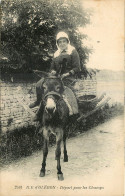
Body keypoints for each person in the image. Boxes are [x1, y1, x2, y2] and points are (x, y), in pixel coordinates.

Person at [29, 31, 81, 120]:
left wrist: (68, 73)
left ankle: (74, 112)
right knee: (40, 84)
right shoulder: (56, 53)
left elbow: (77, 68)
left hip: (69, 78)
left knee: (68, 91)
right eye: (59, 42)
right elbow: (52, 68)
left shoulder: (72, 51)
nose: (62, 44)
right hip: (57, 78)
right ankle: (38, 103)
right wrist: (52, 71)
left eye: (64, 41)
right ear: (57, 43)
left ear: (67, 42)